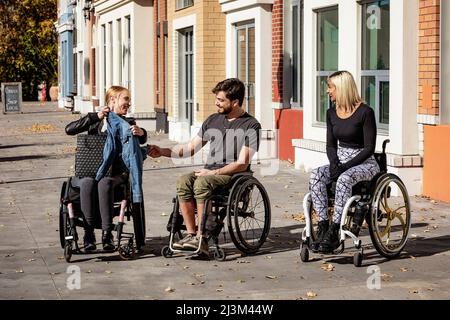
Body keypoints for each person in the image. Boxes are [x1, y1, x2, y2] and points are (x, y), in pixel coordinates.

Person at [148, 78, 261, 257]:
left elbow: (242, 163)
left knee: (201, 183)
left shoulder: (251, 125)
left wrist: (213, 172)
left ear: (235, 102)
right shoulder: (213, 120)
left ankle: (202, 237)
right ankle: (192, 235)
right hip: (210, 172)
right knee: (184, 181)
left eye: (221, 100)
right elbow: (190, 148)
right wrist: (162, 151)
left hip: (232, 175)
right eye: (216, 99)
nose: (216, 103)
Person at [65, 86, 147, 252]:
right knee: (88, 183)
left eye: (129, 100)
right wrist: (96, 116)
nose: (128, 104)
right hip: (90, 171)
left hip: (116, 173)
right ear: (113, 100)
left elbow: (143, 137)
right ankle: (88, 235)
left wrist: (140, 132)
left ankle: (107, 234)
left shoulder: (128, 122)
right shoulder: (95, 121)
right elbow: (70, 129)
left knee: (104, 183)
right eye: (126, 99)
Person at [309, 71, 380, 253]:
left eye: (330, 87)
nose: (328, 91)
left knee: (344, 179)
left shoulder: (365, 112)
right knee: (316, 175)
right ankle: (323, 225)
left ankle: (335, 229)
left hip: (365, 163)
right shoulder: (331, 112)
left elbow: (369, 148)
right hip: (340, 161)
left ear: (341, 88)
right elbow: (331, 145)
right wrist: (334, 165)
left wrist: (345, 167)